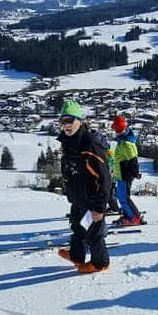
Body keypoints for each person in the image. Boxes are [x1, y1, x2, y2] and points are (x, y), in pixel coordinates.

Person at [56, 99, 111, 274]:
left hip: (93, 199)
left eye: (70, 120)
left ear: (80, 120)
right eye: (63, 121)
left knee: (94, 233)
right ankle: (76, 256)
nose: (66, 125)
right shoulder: (69, 142)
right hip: (79, 196)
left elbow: (104, 177)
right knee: (77, 227)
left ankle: (99, 263)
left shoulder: (90, 143)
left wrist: (100, 207)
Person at [111, 115, 145, 226]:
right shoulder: (123, 141)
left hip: (124, 175)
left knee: (124, 198)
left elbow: (133, 160)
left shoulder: (126, 144)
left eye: (117, 130)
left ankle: (134, 218)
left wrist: (135, 172)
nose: (116, 133)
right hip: (120, 175)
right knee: (121, 197)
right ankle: (127, 215)